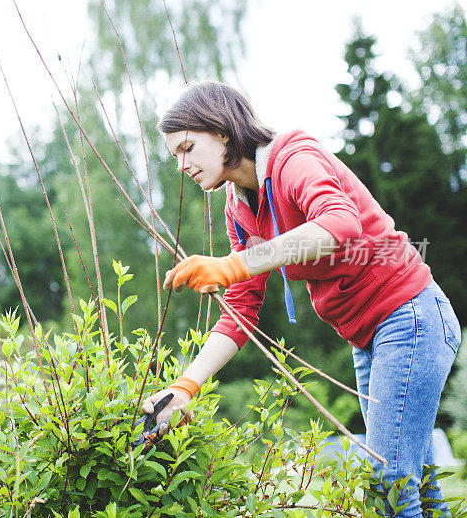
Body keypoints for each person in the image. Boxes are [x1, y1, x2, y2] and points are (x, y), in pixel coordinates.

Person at [141, 80, 461, 517]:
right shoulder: (240, 209)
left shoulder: (294, 158)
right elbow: (240, 314)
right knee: (417, 489)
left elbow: (339, 224)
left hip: (409, 317)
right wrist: (184, 387)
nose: (181, 165)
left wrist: (234, 265)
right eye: (175, 153)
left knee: (390, 485)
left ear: (222, 132)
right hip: (367, 338)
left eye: (187, 148)